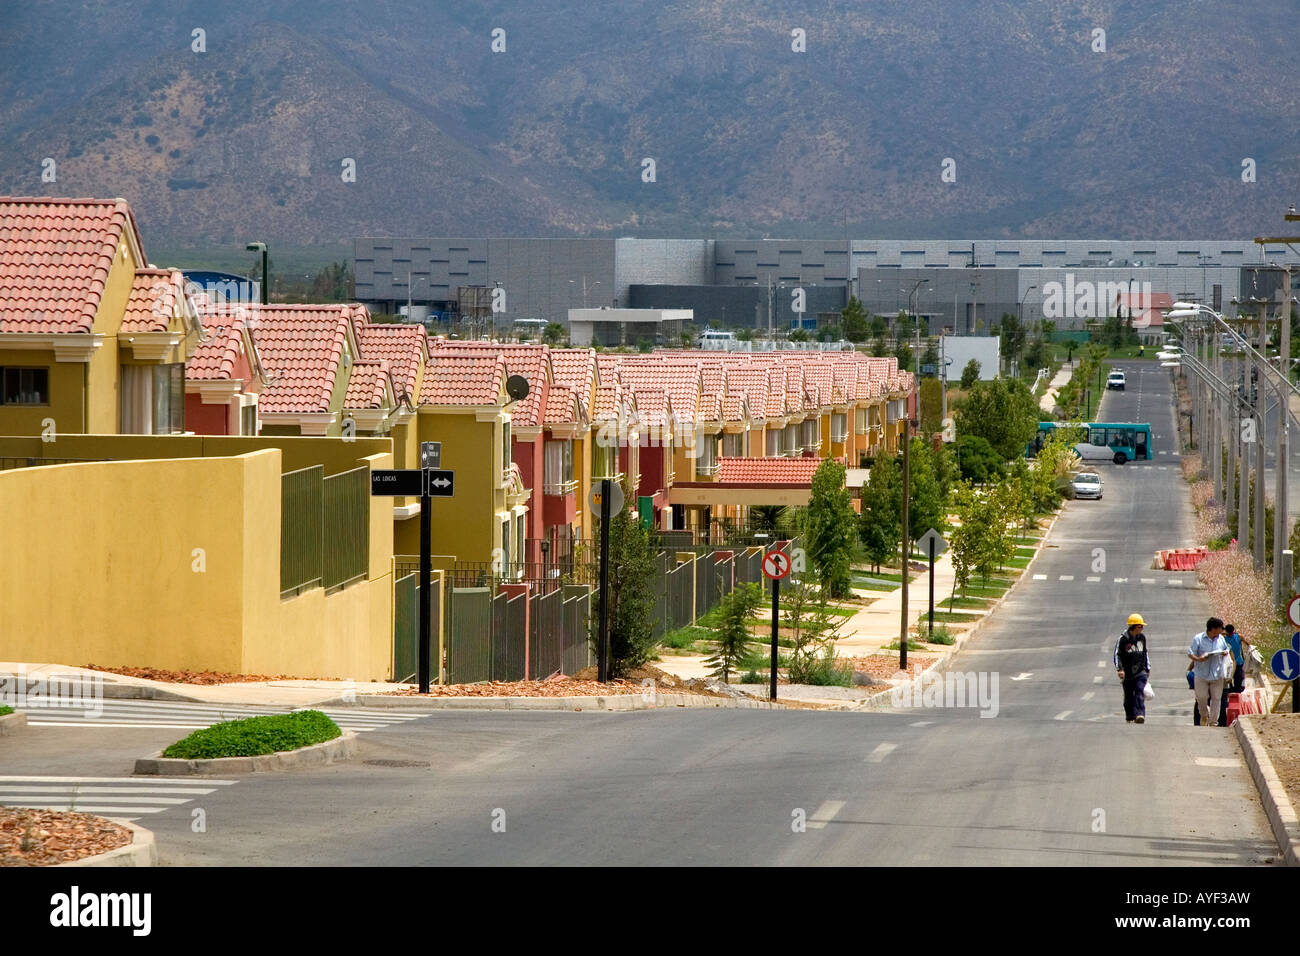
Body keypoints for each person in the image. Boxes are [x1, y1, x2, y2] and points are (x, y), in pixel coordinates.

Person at [1189, 617, 1233, 727]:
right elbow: (1190, 653)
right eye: (1220, 628)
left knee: (1216, 699)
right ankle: (1204, 715)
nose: (1222, 631)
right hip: (1201, 674)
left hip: (1217, 674)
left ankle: (1213, 721)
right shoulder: (1198, 638)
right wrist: (1199, 659)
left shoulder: (1221, 639)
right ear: (1213, 628)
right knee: (1201, 698)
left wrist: (1225, 652)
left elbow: (1226, 649)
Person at [1114, 613, 1151, 724]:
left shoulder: (1142, 638)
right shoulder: (1123, 639)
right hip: (1128, 673)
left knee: (1139, 691)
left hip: (1140, 672)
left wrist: (1147, 668)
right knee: (1128, 697)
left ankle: (1140, 714)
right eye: (1140, 626)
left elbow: (1145, 653)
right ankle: (1130, 716)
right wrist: (1120, 669)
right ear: (1134, 626)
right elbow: (1117, 655)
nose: (1142, 628)